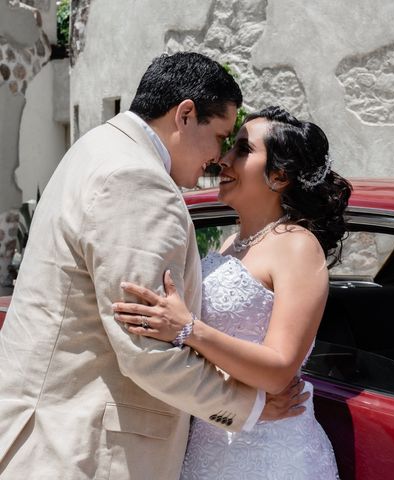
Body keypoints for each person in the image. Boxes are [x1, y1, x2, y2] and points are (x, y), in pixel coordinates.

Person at [0, 53, 305, 480]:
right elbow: (147, 351)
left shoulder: (96, 147)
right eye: (220, 136)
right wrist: (249, 407)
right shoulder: (138, 180)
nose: (218, 158)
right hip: (81, 450)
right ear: (185, 115)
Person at [112, 105, 352, 479]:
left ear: (279, 175)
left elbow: (277, 371)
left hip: (273, 453)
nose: (223, 159)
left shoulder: (297, 246)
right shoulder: (227, 244)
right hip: (212, 438)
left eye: (242, 150)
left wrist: (188, 328)